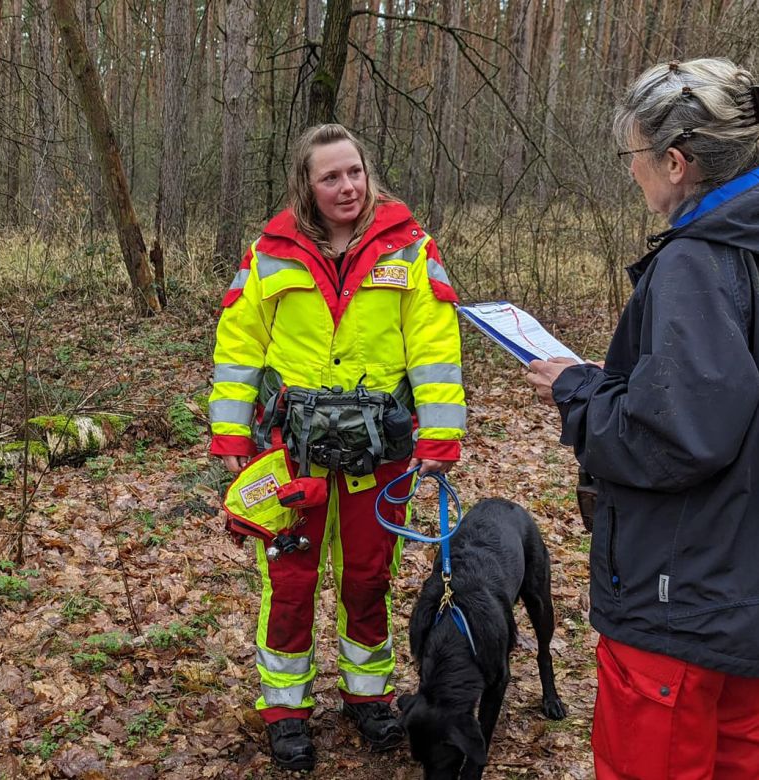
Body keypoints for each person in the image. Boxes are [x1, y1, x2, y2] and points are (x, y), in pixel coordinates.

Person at [525, 58, 759, 779]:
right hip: (739, 593)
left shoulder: (698, 261)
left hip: (679, 597)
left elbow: (676, 438)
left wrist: (577, 392)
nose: (633, 174)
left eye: (635, 157)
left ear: (677, 162)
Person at [209, 123, 466, 770]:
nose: (346, 186)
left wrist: (441, 433)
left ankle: (368, 695)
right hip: (292, 452)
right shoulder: (269, 253)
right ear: (308, 183)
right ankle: (286, 711)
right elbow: (239, 348)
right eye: (331, 176)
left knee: (368, 579)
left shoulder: (411, 248)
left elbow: (434, 347)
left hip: (380, 453)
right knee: (289, 582)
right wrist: (231, 431)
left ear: (367, 171)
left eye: (354, 171)